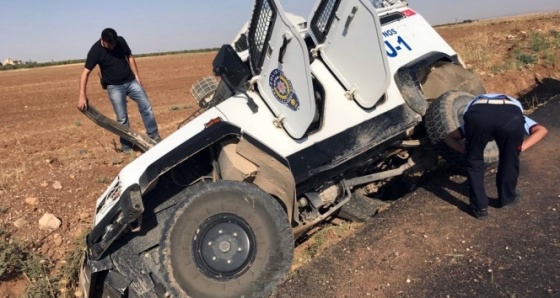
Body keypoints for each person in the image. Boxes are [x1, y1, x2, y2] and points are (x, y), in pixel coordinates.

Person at [444, 93, 548, 219]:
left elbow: (448, 137)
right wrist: (520, 148)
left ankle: (479, 208)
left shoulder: (475, 110)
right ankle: (507, 198)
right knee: (509, 159)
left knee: (474, 161)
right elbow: (541, 130)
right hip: (509, 115)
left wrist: (463, 150)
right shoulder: (517, 111)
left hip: (478, 115)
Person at [77, 28, 161, 154]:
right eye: (109, 44)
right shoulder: (95, 51)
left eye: (114, 44)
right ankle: (127, 146)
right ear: (102, 40)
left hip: (131, 81)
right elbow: (85, 73)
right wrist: (82, 96)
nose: (112, 47)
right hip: (114, 86)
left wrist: (136, 75)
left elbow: (130, 57)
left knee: (146, 107)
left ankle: (154, 135)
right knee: (122, 118)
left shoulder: (121, 41)